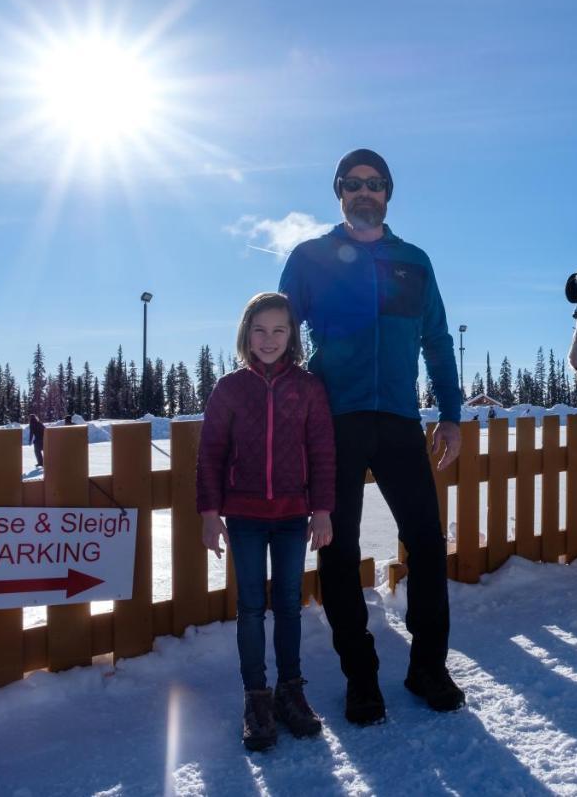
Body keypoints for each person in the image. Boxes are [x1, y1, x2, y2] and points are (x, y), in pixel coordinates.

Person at [279, 147, 465, 726]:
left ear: (388, 193)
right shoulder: (310, 258)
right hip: (334, 422)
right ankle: (361, 678)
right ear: (339, 192)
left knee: (428, 545)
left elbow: (436, 339)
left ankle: (428, 667)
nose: (365, 192)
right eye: (353, 184)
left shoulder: (414, 261)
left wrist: (452, 412)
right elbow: (281, 338)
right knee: (338, 550)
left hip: (400, 422)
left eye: (375, 184)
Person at [197, 292, 337, 751]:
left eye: (279, 330)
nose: (269, 339)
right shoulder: (230, 388)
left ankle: (290, 691)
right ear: (246, 333)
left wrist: (321, 509)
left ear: (292, 334)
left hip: (294, 516)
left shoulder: (309, 387)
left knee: (290, 606)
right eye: (260, 330)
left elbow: (320, 451)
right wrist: (209, 514)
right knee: (252, 607)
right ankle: (256, 697)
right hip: (245, 517)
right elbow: (211, 454)